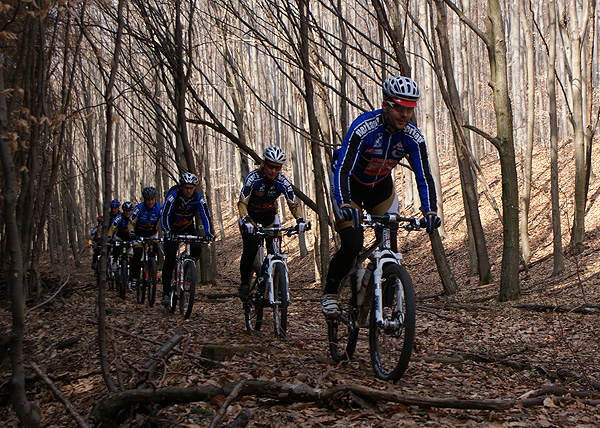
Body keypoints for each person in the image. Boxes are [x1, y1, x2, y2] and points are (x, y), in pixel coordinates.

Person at [321, 75, 441, 317]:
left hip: (380, 188)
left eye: (410, 109)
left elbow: (424, 175)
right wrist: (343, 203)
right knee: (352, 244)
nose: (405, 115)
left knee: (390, 247)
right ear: (385, 104)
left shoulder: (412, 137)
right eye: (399, 108)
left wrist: (430, 210)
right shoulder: (364, 127)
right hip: (349, 186)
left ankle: (385, 307)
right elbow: (343, 168)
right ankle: (331, 293)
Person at [237, 145, 306, 301]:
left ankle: (276, 285)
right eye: (270, 166)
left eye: (277, 167)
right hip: (250, 217)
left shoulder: (282, 181)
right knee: (250, 248)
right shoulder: (253, 178)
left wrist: (300, 219)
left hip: (269, 217)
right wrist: (245, 220)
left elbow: (293, 202)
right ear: (264, 163)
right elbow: (242, 201)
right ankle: (244, 284)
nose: (273, 170)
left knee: (275, 250)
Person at [160, 172, 214, 306]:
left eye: (191, 188)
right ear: (181, 187)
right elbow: (164, 214)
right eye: (186, 188)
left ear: (195, 188)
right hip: (172, 229)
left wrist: (208, 232)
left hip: (187, 227)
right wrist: (167, 230)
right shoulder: (173, 196)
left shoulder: (198, 198)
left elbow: (205, 215)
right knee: (169, 261)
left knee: (197, 248)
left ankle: (187, 267)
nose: (188, 191)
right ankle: (166, 293)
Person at [130, 186, 162, 290]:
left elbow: (164, 221)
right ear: (144, 199)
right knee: (138, 253)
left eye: (152, 199)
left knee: (155, 249)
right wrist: (131, 233)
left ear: (155, 199)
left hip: (152, 234)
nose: (150, 202)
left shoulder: (159, 209)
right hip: (138, 235)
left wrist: (167, 232)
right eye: (148, 200)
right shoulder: (138, 209)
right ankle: (135, 278)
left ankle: (152, 270)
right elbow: (131, 222)